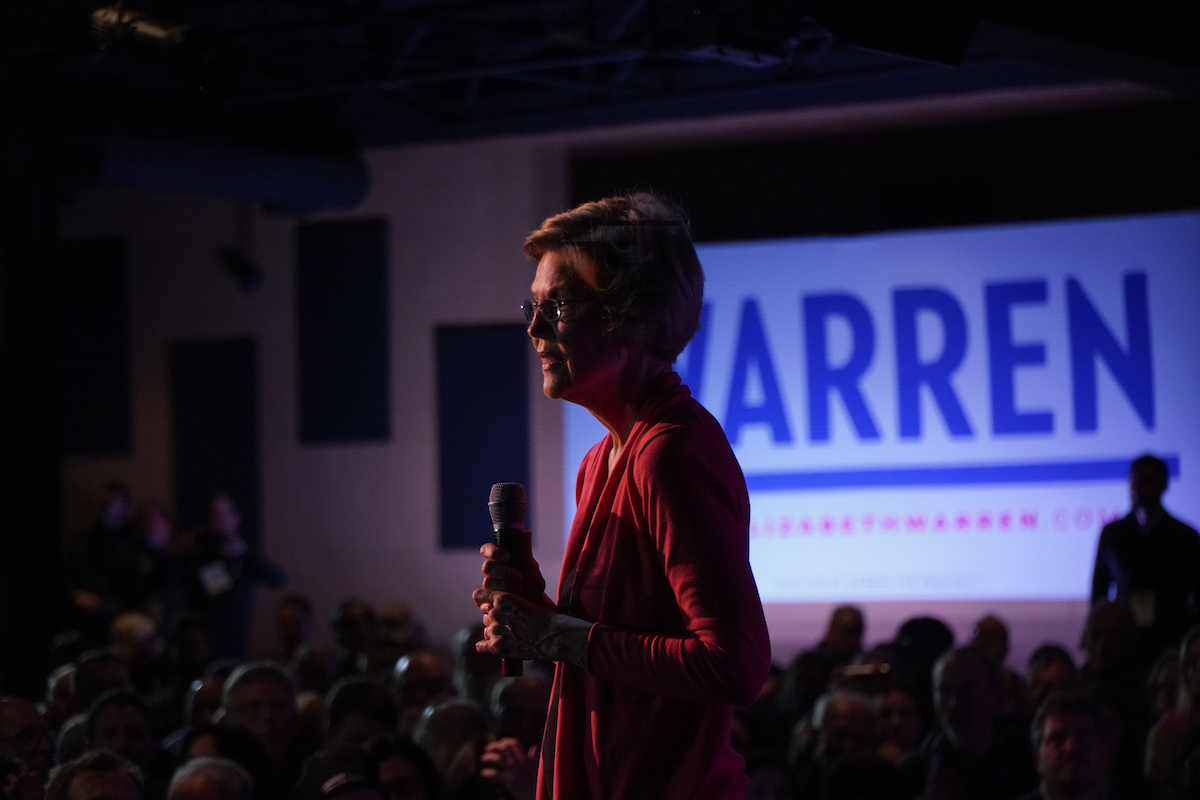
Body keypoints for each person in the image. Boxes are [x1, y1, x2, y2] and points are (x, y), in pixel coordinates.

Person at [473, 192, 771, 798]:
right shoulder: (599, 462)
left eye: (555, 305)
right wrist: (540, 612)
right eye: (530, 307)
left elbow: (733, 664)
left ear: (630, 312)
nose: (533, 329)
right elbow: (620, 651)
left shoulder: (671, 451)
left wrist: (556, 635)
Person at [1091, 454, 1200, 661]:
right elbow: (1099, 590)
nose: (1137, 487)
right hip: (1122, 640)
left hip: (1172, 638)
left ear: (1163, 484)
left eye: (1146, 480)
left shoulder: (1185, 536)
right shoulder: (1112, 534)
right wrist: (1097, 634)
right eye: (1133, 480)